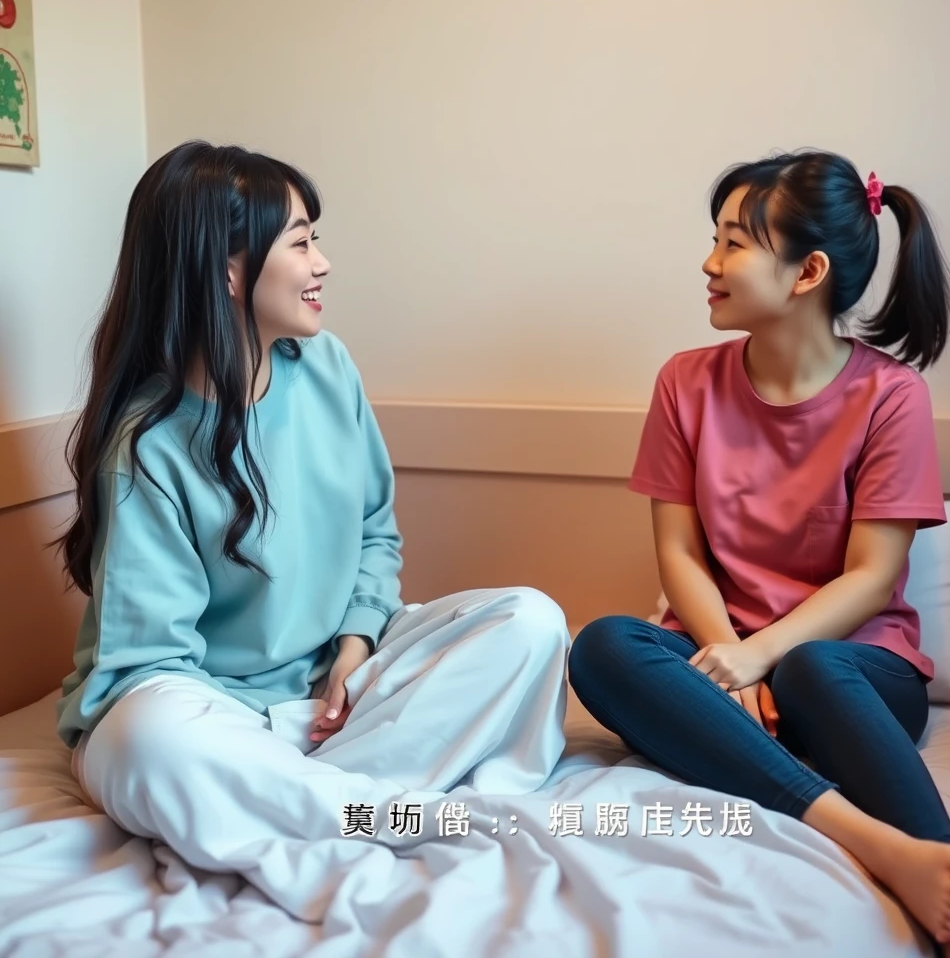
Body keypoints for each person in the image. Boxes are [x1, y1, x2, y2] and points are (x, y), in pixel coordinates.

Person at [55, 141, 569, 920]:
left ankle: (294, 803)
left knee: (530, 622)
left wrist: (355, 650)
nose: (322, 262)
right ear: (228, 271)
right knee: (148, 739)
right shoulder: (148, 446)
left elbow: (374, 531)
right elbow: (150, 663)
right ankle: (370, 808)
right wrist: (248, 741)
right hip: (204, 706)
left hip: (331, 687)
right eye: (299, 242)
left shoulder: (327, 368)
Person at [568, 151, 950, 956]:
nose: (710, 262)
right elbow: (681, 556)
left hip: (851, 670)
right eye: (715, 239)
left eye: (734, 243)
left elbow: (873, 577)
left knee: (812, 668)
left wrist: (761, 659)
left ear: (807, 271)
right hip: (719, 660)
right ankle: (876, 842)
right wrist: (727, 655)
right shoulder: (684, 382)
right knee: (602, 647)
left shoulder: (891, 397)